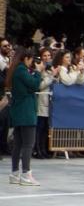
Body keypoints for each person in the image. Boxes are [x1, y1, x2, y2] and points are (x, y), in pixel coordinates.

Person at [6, 47, 42, 186]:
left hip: (18, 112)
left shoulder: (16, 70)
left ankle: (15, 173)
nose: (32, 63)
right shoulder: (21, 71)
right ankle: (26, 174)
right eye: (31, 60)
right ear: (26, 58)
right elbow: (34, 85)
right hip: (26, 112)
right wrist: (38, 72)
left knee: (18, 144)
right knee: (28, 144)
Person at [34, 47, 57, 159]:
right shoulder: (38, 69)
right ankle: (37, 150)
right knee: (39, 127)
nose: (47, 58)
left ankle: (43, 149)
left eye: (49, 56)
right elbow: (39, 85)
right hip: (41, 102)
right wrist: (51, 77)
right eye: (45, 55)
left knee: (45, 129)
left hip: (50, 103)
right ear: (41, 57)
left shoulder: (50, 69)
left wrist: (54, 76)